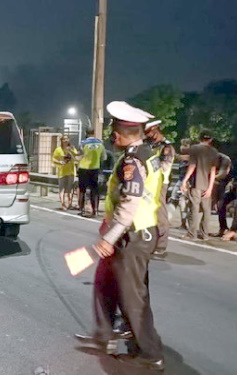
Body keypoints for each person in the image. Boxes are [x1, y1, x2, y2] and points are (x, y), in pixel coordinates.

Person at [75, 101, 164, 371]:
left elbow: (130, 204)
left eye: (113, 129)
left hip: (133, 235)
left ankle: (150, 354)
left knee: (133, 297)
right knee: (106, 285)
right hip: (136, 233)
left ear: (120, 133)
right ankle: (105, 337)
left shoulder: (134, 160)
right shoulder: (148, 153)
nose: (111, 135)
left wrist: (109, 238)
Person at [144, 120, 175, 256]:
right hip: (149, 182)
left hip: (160, 183)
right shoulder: (151, 146)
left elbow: (164, 167)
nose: (148, 135)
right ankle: (150, 242)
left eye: (149, 132)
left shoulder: (166, 148)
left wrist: (149, 160)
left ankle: (161, 246)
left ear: (155, 130)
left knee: (160, 213)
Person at [180, 130, 219, 240]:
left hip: (196, 182)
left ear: (199, 138)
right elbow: (213, 171)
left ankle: (192, 233)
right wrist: (211, 188)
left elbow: (192, 165)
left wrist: (185, 180)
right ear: (210, 139)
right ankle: (205, 233)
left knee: (194, 208)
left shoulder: (195, 149)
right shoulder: (214, 151)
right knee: (207, 210)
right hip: (207, 184)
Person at [76, 128, 106, 217]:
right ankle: (95, 210)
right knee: (95, 190)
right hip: (95, 169)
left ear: (86, 133)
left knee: (82, 190)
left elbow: (79, 155)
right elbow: (104, 157)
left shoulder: (83, 143)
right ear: (94, 133)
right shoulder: (100, 143)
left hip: (83, 168)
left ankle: (82, 210)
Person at [170, 139, 192, 229]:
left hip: (187, 182)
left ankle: (185, 223)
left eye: (185, 145)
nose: (182, 147)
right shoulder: (182, 159)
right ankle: (182, 222)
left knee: (183, 202)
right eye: (182, 145)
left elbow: (181, 157)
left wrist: (173, 154)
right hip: (180, 180)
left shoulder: (191, 156)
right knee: (175, 200)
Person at [52, 135, 78, 210]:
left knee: (69, 189)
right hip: (62, 171)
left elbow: (76, 158)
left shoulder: (72, 148)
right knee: (62, 189)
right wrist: (59, 162)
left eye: (67, 139)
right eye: (64, 139)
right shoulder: (58, 150)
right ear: (61, 141)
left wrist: (71, 151)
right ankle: (63, 204)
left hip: (71, 171)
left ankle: (70, 203)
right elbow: (54, 159)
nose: (65, 140)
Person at [210, 152, 232, 237]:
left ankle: (225, 229)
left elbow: (223, 174)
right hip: (217, 184)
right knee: (219, 207)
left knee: (221, 206)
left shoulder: (225, 159)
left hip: (226, 184)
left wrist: (210, 177)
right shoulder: (211, 157)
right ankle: (223, 228)